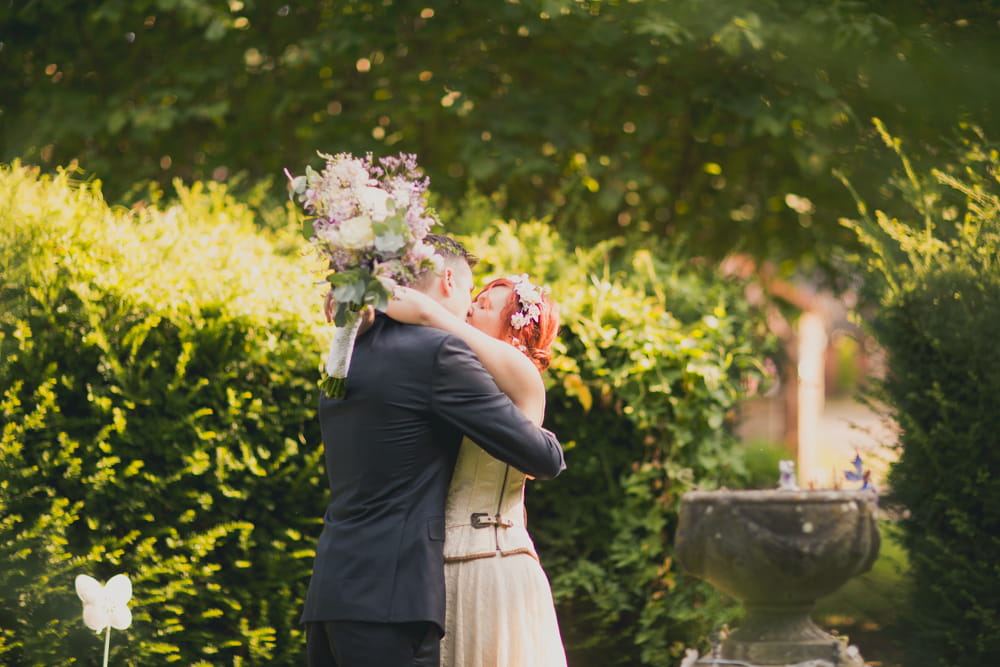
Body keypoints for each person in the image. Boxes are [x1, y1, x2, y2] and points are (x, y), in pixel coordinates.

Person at [301, 234, 566, 667]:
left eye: (484, 305)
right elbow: (546, 457)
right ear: (447, 280)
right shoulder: (437, 357)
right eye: (472, 295)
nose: (468, 306)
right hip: (402, 593)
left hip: (341, 588)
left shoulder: (351, 353)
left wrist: (391, 306)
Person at [386, 274, 568, 667]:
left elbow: (425, 311)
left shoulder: (523, 376)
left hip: (493, 566)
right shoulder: (454, 376)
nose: (469, 307)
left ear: (514, 331)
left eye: (485, 306)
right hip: (437, 568)